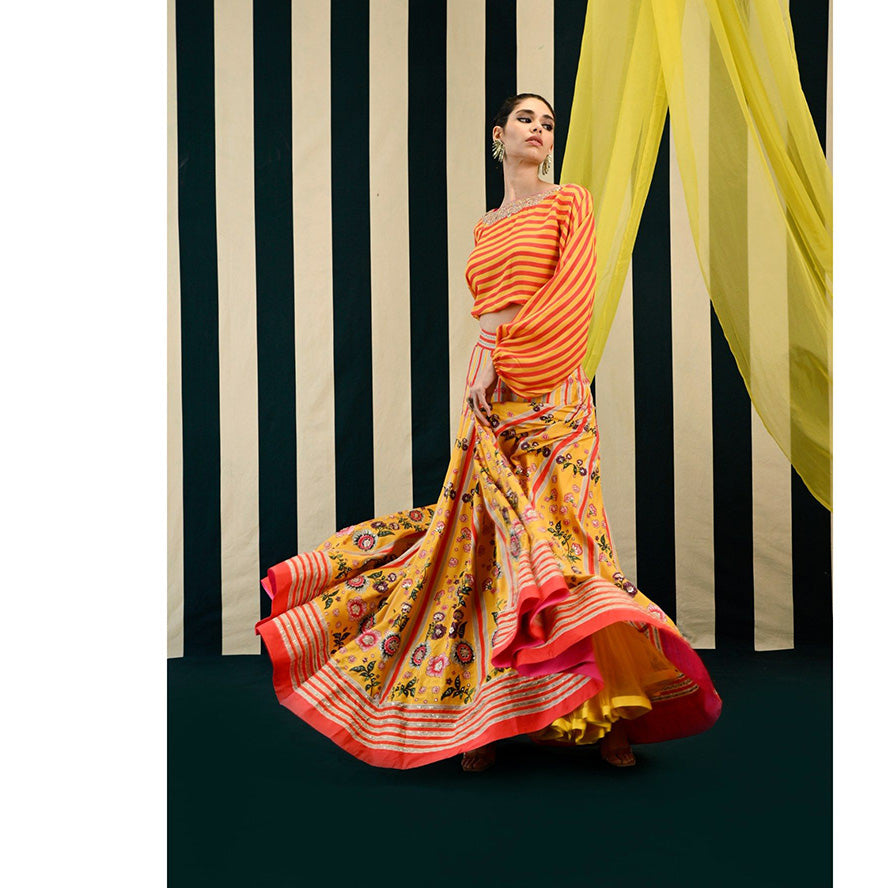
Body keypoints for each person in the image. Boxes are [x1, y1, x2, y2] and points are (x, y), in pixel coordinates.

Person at [255, 93, 722, 771]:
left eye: (549, 122)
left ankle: (608, 714)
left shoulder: (570, 204)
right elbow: (486, 315)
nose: (539, 129)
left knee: (569, 543)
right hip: (488, 395)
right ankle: (491, 720)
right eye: (526, 118)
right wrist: (482, 371)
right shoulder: (484, 227)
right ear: (498, 134)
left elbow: (573, 296)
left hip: (553, 393)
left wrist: (509, 359)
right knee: (486, 547)